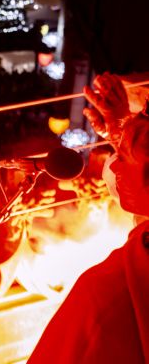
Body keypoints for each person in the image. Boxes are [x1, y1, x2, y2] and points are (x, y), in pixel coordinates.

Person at [29, 73, 149, 363]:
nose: (114, 163)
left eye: (124, 152)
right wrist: (122, 133)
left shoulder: (100, 299)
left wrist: (124, 129)